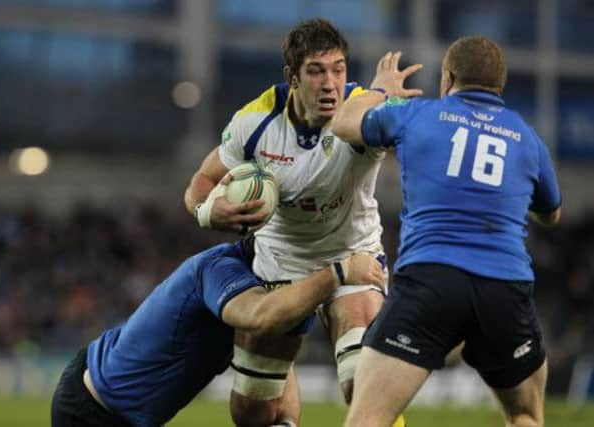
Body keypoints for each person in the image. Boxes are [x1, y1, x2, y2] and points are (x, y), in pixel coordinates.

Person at [184, 18, 417, 426]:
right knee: (254, 412)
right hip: (281, 265)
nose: (330, 83)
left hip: (354, 255)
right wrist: (207, 210)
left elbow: (415, 135)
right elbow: (202, 181)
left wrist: (393, 101)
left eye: (339, 69)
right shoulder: (254, 123)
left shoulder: (364, 110)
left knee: (363, 382)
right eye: (316, 70)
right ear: (291, 76)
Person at [331, 37, 561, 427]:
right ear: (499, 85)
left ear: (448, 77)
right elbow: (550, 213)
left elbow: (342, 123)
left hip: (432, 282)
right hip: (505, 290)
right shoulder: (527, 138)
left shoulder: (417, 114)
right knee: (525, 415)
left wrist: (381, 90)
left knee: (367, 419)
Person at [51, 234, 385, 426]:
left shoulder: (281, 293)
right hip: (92, 411)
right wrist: (337, 274)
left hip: (125, 410)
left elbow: (279, 365)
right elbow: (259, 316)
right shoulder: (220, 270)